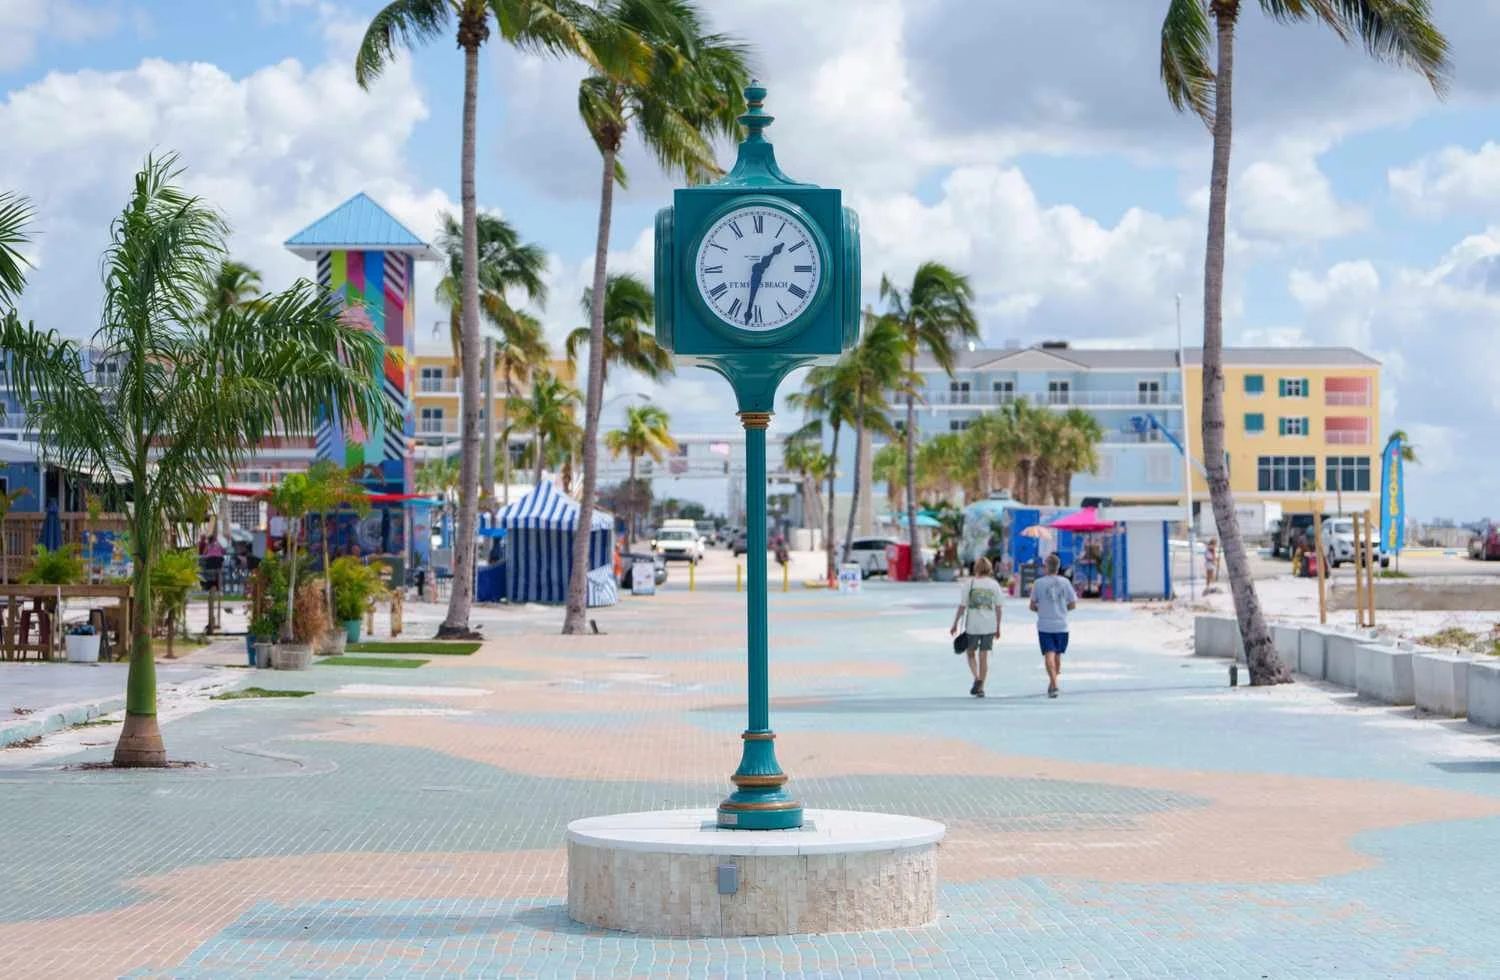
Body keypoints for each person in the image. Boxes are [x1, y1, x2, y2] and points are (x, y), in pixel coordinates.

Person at [950, 556, 1004, 698]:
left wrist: (955, 623)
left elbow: (962, 606)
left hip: (973, 625)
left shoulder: (970, 583)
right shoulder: (994, 585)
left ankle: (977, 678)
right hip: (989, 625)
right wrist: (998, 627)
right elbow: (998, 608)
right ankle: (981, 685)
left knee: (970, 653)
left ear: (976, 568)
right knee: (984, 656)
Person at [1029, 553, 1077, 699]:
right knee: (1057, 656)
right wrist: (1061, 610)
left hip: (1045, 625)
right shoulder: (1065, 582)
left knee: (1049, 654)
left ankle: (1054, 684)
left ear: (1045, 567)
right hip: (1062, 625)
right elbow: (1073, 604)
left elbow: (1032, 606)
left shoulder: (1038, 583)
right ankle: (1054, 683)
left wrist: (1042, 609)